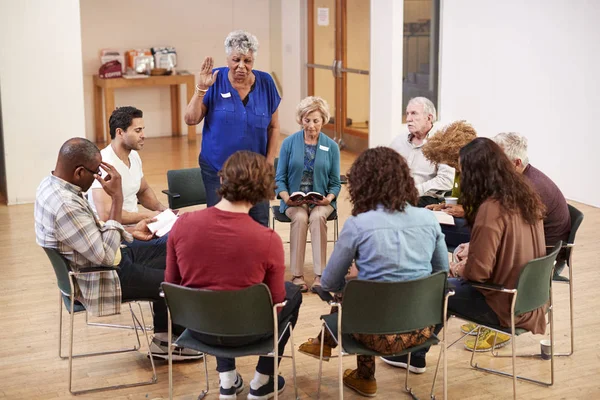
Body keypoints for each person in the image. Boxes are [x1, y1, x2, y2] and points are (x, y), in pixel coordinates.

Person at [296, 147, 448, 397]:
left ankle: (361, 372)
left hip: (371, 334)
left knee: (353, 292)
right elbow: (441, 274)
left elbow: (331, 282)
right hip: (421, 330)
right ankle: (337, 353)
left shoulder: (358, 225)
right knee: (365, 291)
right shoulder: (429, 219)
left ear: (362, 185)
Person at [384, 137, 546, 368]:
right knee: (446, 287)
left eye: (464, 170)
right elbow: (510, 245)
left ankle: (412, 356)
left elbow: (479, 273)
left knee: (435, 291)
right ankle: (412, 353)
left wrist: (458, 267)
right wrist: (474, 251)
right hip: (529, 299)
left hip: (502, 302)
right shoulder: (523, 195)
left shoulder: (491, 208)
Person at [34, 138, 201, 361]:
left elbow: (90, 233)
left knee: (172, 245)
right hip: (102, 276)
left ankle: (165, 338)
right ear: (79, 172)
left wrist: (130, 230)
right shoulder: (65, 205)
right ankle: (170, 342)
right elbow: (104, 255)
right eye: (95, 172)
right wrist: (117, 198)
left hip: (108, 258)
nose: (99, 179)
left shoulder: (49, 184)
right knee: (176, 281)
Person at [165, 151, 302, 400]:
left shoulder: (182, 224)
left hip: (197, 326)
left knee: (216, 292)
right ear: (262, 192)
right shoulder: (268, 239)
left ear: (221, 181)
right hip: (250, 330)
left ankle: (227, 380)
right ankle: (262, 380)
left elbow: (171, 285)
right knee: (293, 294)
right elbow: (277, 303)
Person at [184, 30, 281, 227]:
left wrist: (269, 162)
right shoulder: (215, 79)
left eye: (248, 60)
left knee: (259, 222)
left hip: (255, 170)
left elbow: (274, 127)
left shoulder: (266, 83)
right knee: (221, 223)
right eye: (236, 59)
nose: (241, 66)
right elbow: (191, 119)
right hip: (217, 167)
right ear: (228, 58)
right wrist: (201, 89)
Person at [275, 96, 341, 293]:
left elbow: (335, 183)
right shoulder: (289, 143)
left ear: (323, 120)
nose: (311, 125)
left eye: (316, 120)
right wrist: (287, 198)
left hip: (321, 200)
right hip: (294, 200)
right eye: (307, 120)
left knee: (319, 216)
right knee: (301, 217)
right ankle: (297, 275)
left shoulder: (331, 146)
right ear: (300, 120)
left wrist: (328, 199)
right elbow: (280, 178)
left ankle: (321, 275)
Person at [492, 132, 571, 280]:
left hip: (542, 261)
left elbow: (513, 233)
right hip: (534, 250)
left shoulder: (530, 189)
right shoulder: (522, 178)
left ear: (516, 163)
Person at [88, 106, 169, 247]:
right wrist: (147, 216)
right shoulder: (104, 164)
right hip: (115, 235)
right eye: (138, 130)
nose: (143, 135)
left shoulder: (134, 156)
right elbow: (106, 216)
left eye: (143, 129)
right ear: (120, 132)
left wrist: (163, 211)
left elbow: (143, 191)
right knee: (171, 243)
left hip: (137, 226)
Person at [421, 120, 477, 249]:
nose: (452, 166)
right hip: (463, 221)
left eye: (453, 162)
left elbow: (491, 212)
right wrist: (442, 206)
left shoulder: (481, 174)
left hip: (475, 226)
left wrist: (466, 211)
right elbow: (457, 200)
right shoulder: (458, 172)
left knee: (427, 229)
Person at [389, 97, 454, 207]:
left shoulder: (442, 143)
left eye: (414, 113)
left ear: (429, 118)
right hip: (398, 194)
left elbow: (446, 180)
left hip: (426, 199)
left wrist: (415, 191)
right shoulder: (399, 141)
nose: (408, 118)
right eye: (407, 113)